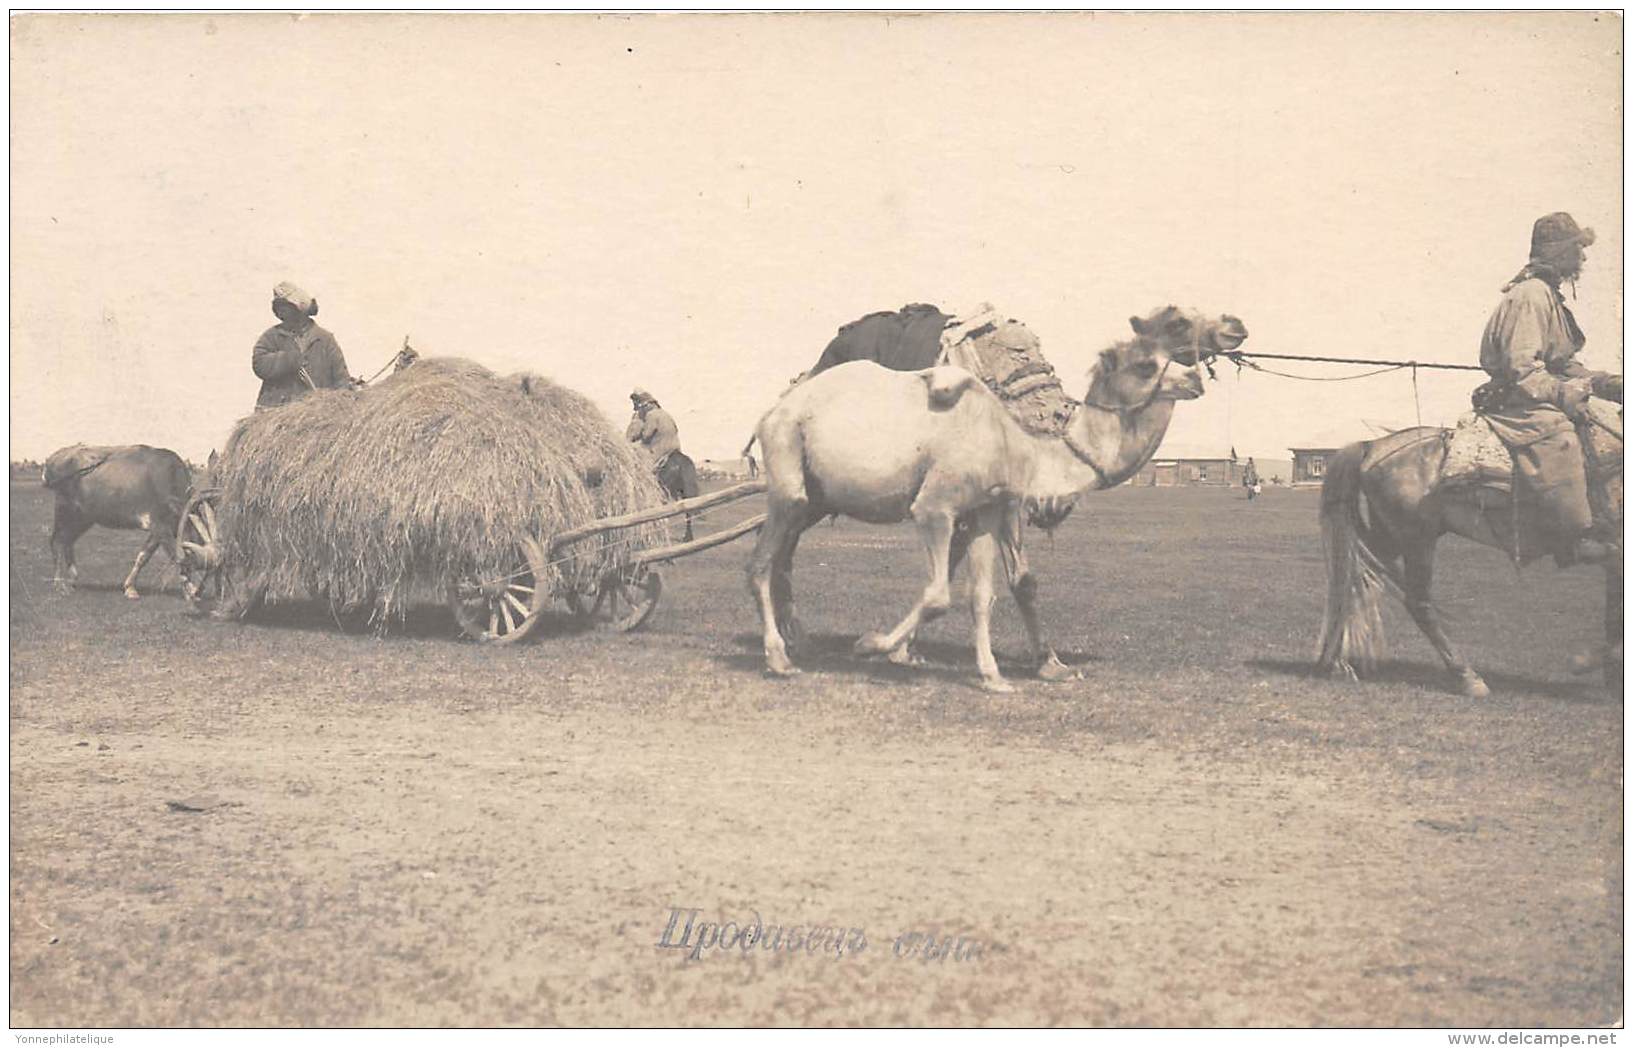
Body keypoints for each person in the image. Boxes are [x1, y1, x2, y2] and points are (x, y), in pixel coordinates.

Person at [1475, 213, 1622, 566]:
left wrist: (1606, 383)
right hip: (1517, 399)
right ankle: (1572, 535)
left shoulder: (1549, 296)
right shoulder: (1531, 296)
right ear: (1560, 252)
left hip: (1536, 390)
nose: (1583, 257)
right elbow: (1522, 369)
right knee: (1561, 435)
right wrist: (1568, 395)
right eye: (1578, 249)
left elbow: (1562, 364)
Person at [251, 281, 353, 410]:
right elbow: (259, 364)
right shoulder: (272, 336)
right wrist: (288, 359)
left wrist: (339, 401)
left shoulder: (325, 339)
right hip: (278, 410)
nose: (281, 312)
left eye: (286, 307)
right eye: (279, 308)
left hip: (318, 411)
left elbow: (341, 378)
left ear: (299, 309)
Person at [625, 388, 682, 467]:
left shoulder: (651, 415)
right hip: (675, 448)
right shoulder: (665, 414)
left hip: (661, 451)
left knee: (641, 464)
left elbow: (646, 436)